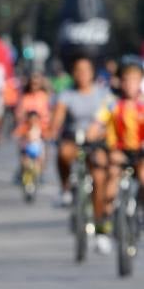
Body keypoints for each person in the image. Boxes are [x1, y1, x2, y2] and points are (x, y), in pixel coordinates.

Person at [90, 56, 144, 253]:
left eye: (135, 79)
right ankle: (105, 225)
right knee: (111, 180)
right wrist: (90, 136)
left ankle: (139, 211)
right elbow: (97, 124)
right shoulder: (112, 103)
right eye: (126, 79)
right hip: (118, 151)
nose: (130, 84)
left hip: (140, 151)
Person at [50, 56, 112, 206]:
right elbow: (58, 116)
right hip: (74, 139)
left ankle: (99, 221)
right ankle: (65, 189)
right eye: (78, 70)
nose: (82, 74)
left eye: (85, 70)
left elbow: (110, 115)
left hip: (97, 141)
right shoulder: (67, 94)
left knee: (99, 176)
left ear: (92, 73)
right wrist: (52, 130)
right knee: (63, 153)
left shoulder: (103, 93)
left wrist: (100, 132)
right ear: (73, 73)